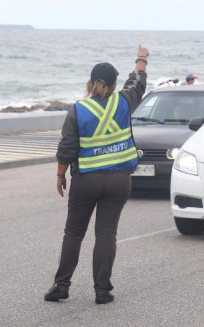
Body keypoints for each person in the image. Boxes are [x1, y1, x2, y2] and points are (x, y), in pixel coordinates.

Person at [44, 45, 149, 305]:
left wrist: (60, 176)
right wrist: (141, 59)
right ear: (114, 85)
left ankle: (61, 286)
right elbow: (138, 82)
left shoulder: (78, 110)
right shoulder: (124, 101)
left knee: (74, 232)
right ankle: (102, 291)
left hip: (86, 180)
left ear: (90, 83)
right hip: (119, 180)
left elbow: (66, 147)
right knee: (106, 234)